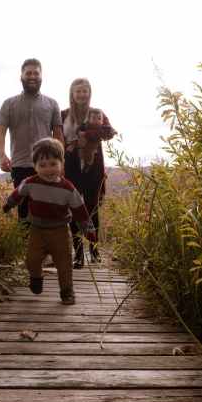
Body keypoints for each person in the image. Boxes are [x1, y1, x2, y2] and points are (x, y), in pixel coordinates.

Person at [2, 138, 96, 305]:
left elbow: (80, 211)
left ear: (61, 163)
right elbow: (18, 194)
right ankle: (36, 277)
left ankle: (67, 292)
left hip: (60, 231)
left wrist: (88, 231)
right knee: (32, 259)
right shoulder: (30, 183)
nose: (48, 169)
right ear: (35, 166)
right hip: (37, 230)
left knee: (64, 263)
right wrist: (9, 204)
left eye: (53, 164)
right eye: (42, 165)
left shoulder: (68, 189)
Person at [0, 58, 63, 224]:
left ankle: (46, 248)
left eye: (36, 73)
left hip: (48, 165)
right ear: (21, 76)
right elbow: (1, 132)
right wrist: (2, 155)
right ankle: (26, 248)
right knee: (24, 211)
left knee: (48, 209)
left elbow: (58, 135)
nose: (32, 76)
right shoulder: (9, 104)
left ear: (41, 76)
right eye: (28, 73)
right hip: (20, 165)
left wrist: (61, 162)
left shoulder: (52, 104)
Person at [61, 78, 116, 269]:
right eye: (78, 91)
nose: (82, 94)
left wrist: (87, 135)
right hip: (71, 166)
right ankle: (77, 253)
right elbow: (58, 140)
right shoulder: (64, 115)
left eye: (85, 91)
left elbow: (109, 133)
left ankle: (94, 251)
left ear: (89, 93)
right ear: (72, 94)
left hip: (93, 166)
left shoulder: (98, 114)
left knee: (92, 209)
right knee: (75, 208)